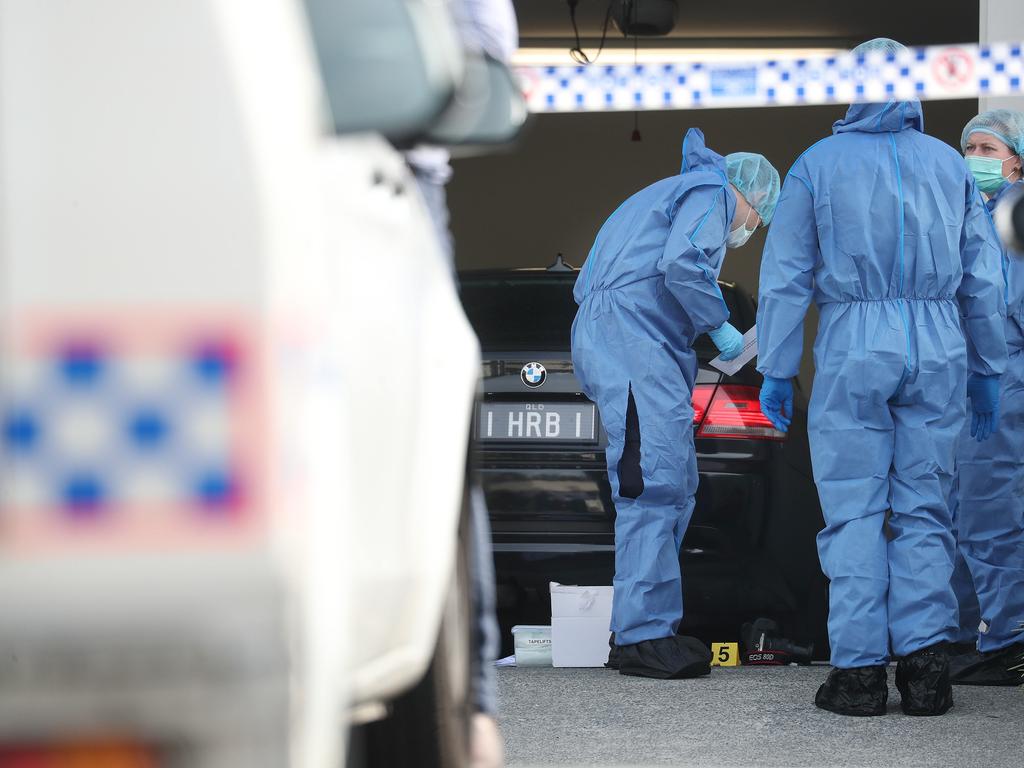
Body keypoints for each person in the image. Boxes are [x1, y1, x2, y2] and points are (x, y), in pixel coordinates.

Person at [756, 38, 1007, 716]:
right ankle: (927, 672)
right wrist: (987, 370)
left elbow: (784, 279)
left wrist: (777, 369)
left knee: (854, 508)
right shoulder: (949, 167)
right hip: (938, 346)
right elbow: (983, 279)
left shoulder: (816, 164)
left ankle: (860, 675)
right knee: (925, 506)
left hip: (853, 345)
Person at [572, 128, 780, 679]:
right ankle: (642, 637)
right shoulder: (711, 193)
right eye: (755, 223)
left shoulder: (668, 192)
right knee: (653, 485)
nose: (747, 232)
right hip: (634, 347)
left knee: (673, 482)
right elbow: (685, 266)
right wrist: (725, 330)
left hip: (635, 344)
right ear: (751, 200)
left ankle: (645, 626)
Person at [948, 109, 1024, 686]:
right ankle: (963, 635)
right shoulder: (970, 214)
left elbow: (1005, 309)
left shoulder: (1012, 217)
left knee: (991, 515)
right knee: (956, 514)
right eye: (969, 146)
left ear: (1015, 160)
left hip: (1002, 381)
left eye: (987, 148)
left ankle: (1010, 640)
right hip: (965, 382)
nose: (975, 157)